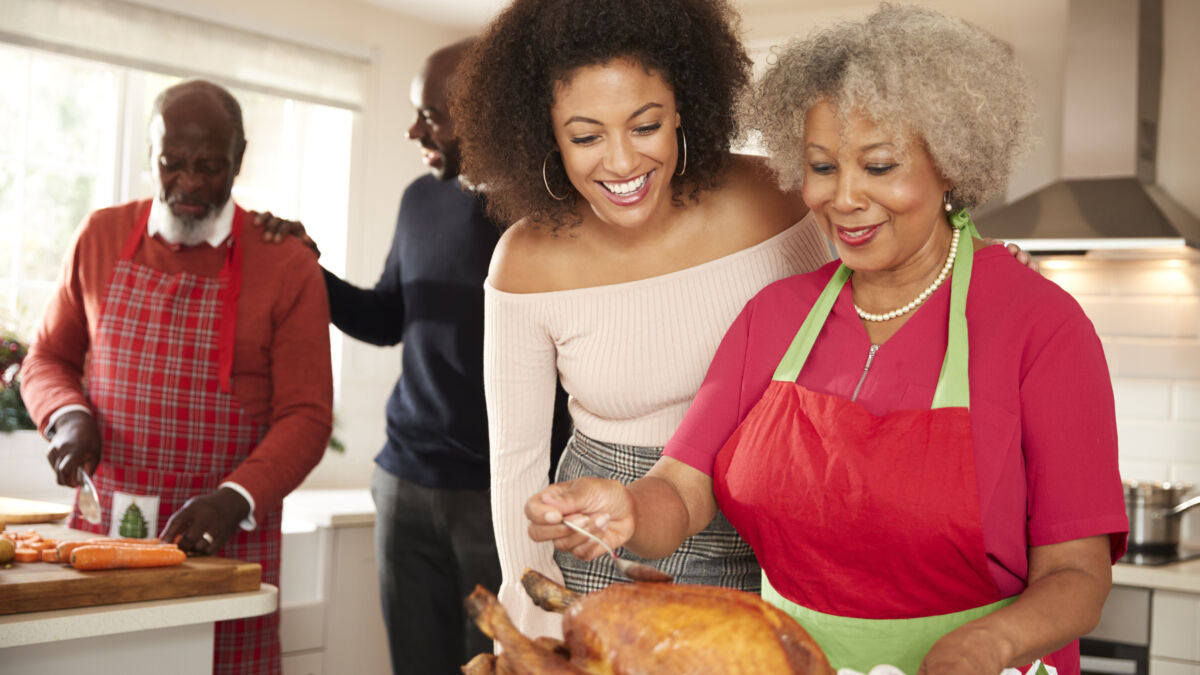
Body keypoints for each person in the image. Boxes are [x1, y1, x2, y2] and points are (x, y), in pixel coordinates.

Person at [526, 6, 1128, 675]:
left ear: (951, 163)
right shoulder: (776, 314)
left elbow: (1078, 573)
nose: (843, 197)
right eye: (821, 166)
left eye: (878, 166)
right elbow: (683, 489)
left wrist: (983, 645)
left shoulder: (1040, 325)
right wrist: (628, 508)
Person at [450, 0, 835, 640]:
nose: (623, 162)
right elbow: (516, 463)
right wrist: (531, 627)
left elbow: (861, 314)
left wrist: (971, 273)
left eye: (645, 125)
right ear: (545, 135)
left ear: (682, 107)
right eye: (586, 136)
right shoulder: (525, 260)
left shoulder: (771, 198)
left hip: (778, 526)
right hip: (607, 547)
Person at [254, 39, 571, 673]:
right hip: (403, 484)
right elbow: (389, 319)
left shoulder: (549, 214)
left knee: (502, 666)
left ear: (483, 112)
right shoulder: (419, 199)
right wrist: (310, 270)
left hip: (497, 498)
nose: (413, 129)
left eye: (430, 114)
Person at [21, 79, 333, 675]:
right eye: (171, 164)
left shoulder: (286, 265)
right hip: (100, 534)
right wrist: (67, 415)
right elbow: (47, 359)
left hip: (224, 541)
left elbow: (308, 415)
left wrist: (233, 499)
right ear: (149, 156)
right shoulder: (100, 236)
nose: (188, 183)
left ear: (239, 159)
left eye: (209, 166)